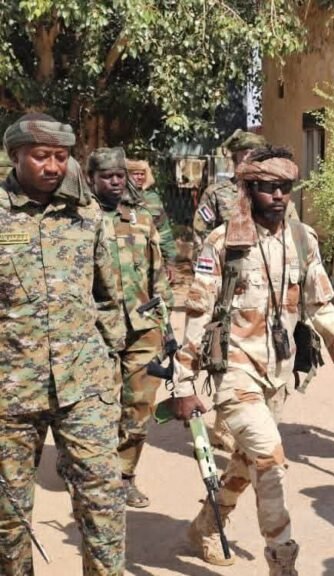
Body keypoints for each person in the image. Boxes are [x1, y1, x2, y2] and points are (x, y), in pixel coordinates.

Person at [168, 146, 334, 572]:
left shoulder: (302, 239)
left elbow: (320, 304)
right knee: (269, 459)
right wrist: (183, 383)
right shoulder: (222, 242)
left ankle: (206, 525)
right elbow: (198, 313)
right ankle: (282, 561)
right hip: (234, 370)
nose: (279, 196)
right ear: (248, 190)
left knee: (248, 462)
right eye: (268, 188)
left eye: (285, 187)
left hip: (278, 373)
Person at [0, 114, 126, 574]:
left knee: (103, 503)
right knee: (8, 519)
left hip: (84, 388)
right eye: (41, 156)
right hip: (10, 394)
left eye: (60, 156)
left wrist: (109, 365)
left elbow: (109, 297)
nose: (53, 166)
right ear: (15, 156)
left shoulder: (86, 214)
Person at [87, 147, 174, 509]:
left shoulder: (141, 219)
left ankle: (124, 476)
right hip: (96, 331)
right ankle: (93, 474)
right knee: (99, 408)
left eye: (120, 176)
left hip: (142, 328)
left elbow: (158, 275)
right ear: (91, 179)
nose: (115, 182)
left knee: (139, 407)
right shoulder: (79, 219)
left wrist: (166, 327)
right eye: (107, 176)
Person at [192, 129, 299, 258]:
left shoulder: (276, 194)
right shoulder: (216, 194)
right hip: (231, 263)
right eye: (245, 153)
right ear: (235, 157)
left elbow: (294, 232)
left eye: (255, 154)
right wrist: (204, 263)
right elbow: (201, 231)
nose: (249, 157)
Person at [126, 158, 178, 282]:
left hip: (149, 262)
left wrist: (170, 262)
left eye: (142, 174)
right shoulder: (116, 198)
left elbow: (164, 231)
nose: (139, 177)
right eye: (135, 174)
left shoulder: (153, 199)